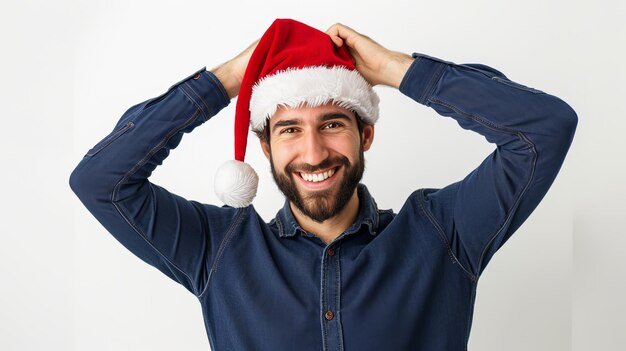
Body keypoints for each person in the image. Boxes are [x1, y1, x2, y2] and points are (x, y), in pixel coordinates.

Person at [69, 18, 577, 351]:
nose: (313, 153)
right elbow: (100, 180)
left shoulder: (442, 234)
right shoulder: (218, 249)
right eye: (290, 129)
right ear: (265, 147)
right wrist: (228, 79)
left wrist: (397, 70)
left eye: (333, 123)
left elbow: (545, 130)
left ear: (367, 134)